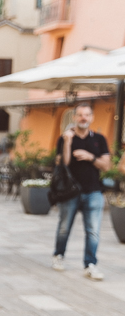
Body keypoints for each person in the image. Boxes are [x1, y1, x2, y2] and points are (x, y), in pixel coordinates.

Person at [51, 103, 111, 280]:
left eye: (87, 115)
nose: (83, 118)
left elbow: (106, 165)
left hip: (93, 191)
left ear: (92, 118)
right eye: (80, 115)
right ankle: (59, 255)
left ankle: (90, 264)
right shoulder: (64, 138)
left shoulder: (99, 139)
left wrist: (90, 156)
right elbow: (64, 163)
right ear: (75, 118)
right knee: (64, 227)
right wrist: (68, 142)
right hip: (70, 192)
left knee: (93, 230)